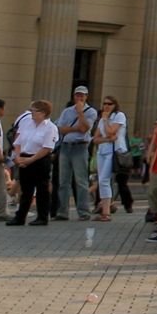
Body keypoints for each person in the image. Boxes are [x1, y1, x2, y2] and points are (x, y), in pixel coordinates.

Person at [6, 100, 58, 225]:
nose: (32, 113)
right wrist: (18, 157)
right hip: (24, 157)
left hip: (39, 159)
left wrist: (31, 159)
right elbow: (18, 142)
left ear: (43, 113)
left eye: (34, 111)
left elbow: (47, 148)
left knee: (42, 189)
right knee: (25, 190)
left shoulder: (50, 127)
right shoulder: (27, 123)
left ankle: (42, 217)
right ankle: (20, 217)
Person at [53, 85, 97, 221]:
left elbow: (84, 129)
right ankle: (62, 211)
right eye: (77, 95)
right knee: (63, 181)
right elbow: (60, 129)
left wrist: (80, 113)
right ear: (74, 96)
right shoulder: (66, 111)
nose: (79, 97)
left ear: (86, 97)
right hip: (66, 146)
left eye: (82, 95)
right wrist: (75, 128)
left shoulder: (91, 112)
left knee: (81, 181)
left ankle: (84, 212)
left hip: (80, 147)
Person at [94, 96, 129, 220]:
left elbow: (111, 131)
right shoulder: (103, 118)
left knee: (104, 180)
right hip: (102, 151)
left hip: (113, 152)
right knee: (102, 180)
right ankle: (105, 207)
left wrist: (105, 120)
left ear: (115, 105)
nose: (106, 106)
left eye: (110, 104)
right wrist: (107, 139)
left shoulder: (119, 116)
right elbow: (96, 138)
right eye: (104, 104)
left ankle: (106, 211)